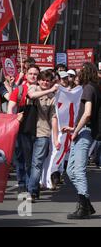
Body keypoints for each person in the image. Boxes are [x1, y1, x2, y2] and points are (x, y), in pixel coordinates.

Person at [62, 62, 100, 219]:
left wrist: (76, 130)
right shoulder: (93, 88)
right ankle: (86, 203)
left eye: (79, 73)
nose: (76, 76)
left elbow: (88, 113)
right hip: (83, 131)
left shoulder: (88, 88)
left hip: (84, 133)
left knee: (78, 170)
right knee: (70, 170)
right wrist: (74, 128)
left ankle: (83, 206)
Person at [7, 65, 40, 194]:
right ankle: (23, 183)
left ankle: (32, 185)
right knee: (21, 158)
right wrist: (14, 120)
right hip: (22, 129)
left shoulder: (43, 89)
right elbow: (10, 109)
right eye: (31, 73)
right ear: (26, 75)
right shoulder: (19, 90)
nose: (33, 76)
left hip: (38, 129)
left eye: (36, 74)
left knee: (34, 160)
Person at [26, 70, 58, 202]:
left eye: (48, 81)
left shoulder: (52, 98)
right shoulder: (34, 87)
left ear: (51, 83)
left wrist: (55, 138)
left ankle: (32, 191)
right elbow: (32, 95)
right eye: (43, 80)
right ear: (39, 80)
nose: (45, 82)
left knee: (37, 164)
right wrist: (49, 91)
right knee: (27, 163)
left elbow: (54, 118)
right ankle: (31, 187)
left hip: (43, 133)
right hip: (27, 131)